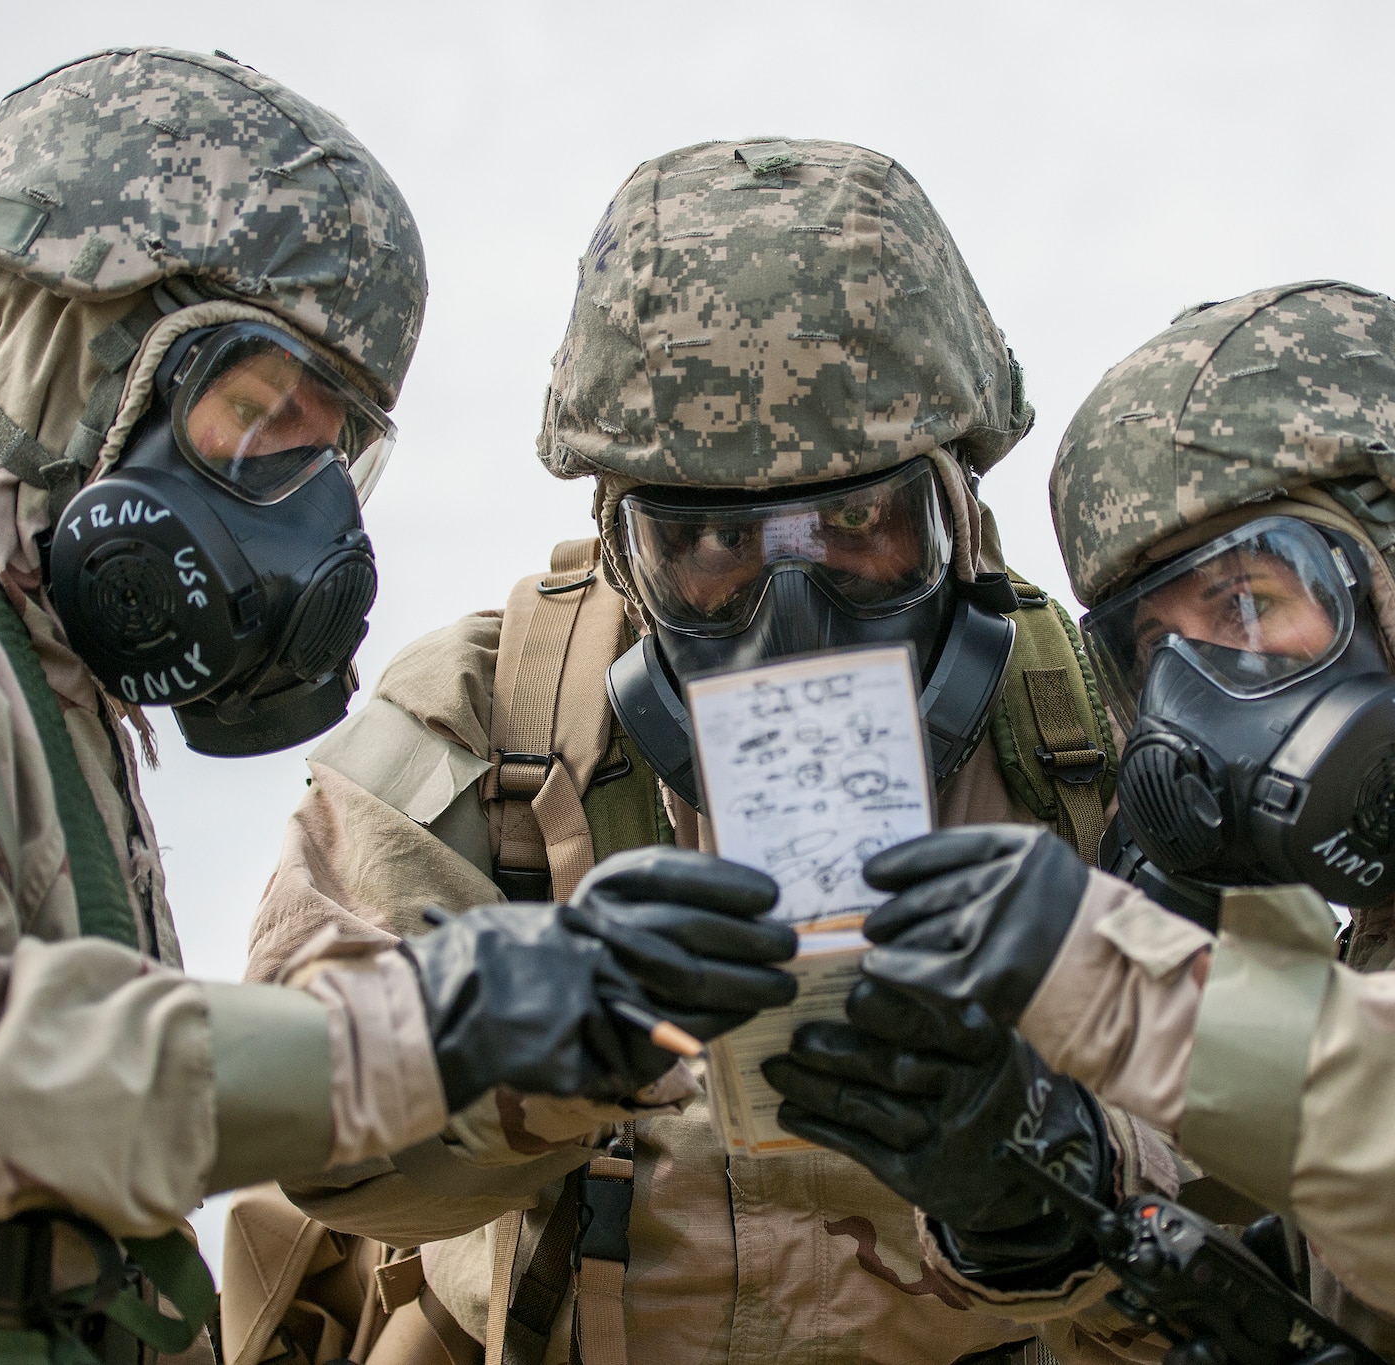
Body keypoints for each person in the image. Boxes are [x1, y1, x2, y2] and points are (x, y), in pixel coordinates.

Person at [0, 48, 756, 1365]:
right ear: (61, 340)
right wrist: (436, 1020)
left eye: (325, 452)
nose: (292, 513)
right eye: (249, 415)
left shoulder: (31, 675)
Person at [224, 138, 1175, 1365]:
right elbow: (306, 1131)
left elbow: (1298, 1176)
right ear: (624, 549)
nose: (791, 614)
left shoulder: (1105, 733)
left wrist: (1054, 1164)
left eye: (858, 524)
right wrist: (537, 1029)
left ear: (956, 507)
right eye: (713, 550)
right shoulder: (487, 717)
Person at [769, 280, 1395, 1360]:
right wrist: (1033, 1174)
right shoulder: (1388, 908)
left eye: (1247, 604)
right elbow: (1348, 1261)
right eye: (1157, 650)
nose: (1199, 698)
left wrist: (1106, 975)